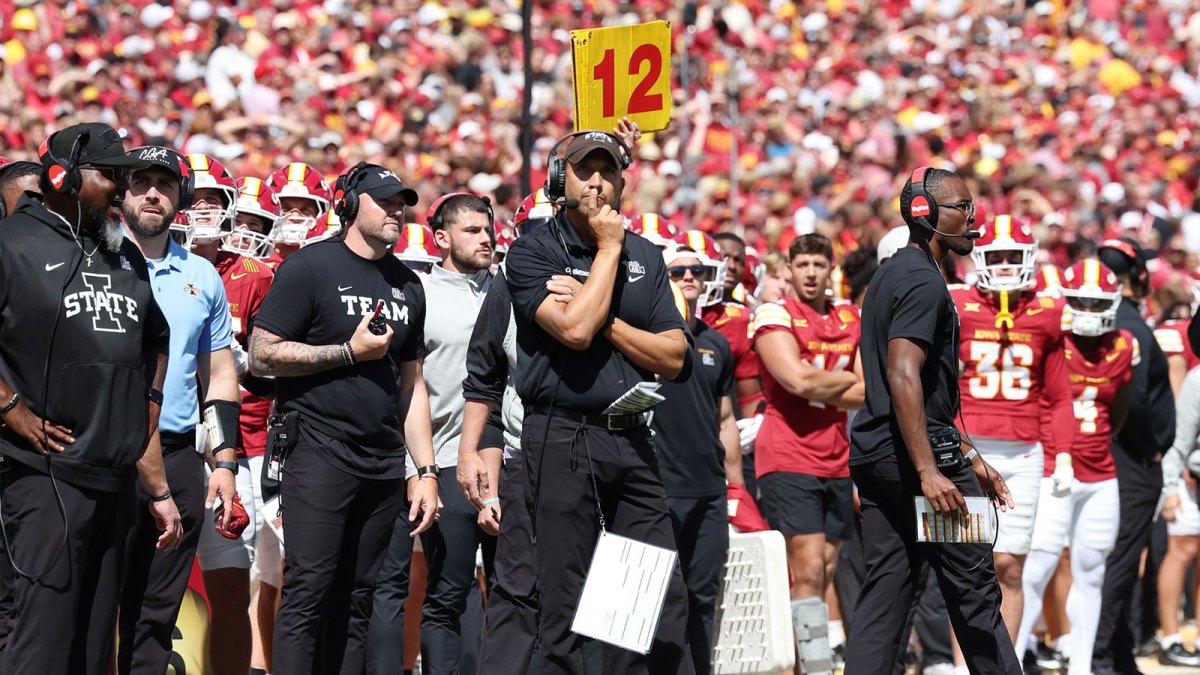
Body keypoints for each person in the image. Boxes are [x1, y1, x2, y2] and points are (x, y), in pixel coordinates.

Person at [504, 130, 695, 675]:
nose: (598, 183)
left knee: (647, 595)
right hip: (562, 436)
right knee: (565, 601)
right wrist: (608, 251)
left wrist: (609, 320)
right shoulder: (532, 251)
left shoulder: (645, 253)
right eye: (585, 171)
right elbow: (573, 331)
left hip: (632, 435)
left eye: (608, 172)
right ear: (560, 181)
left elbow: (674, 356)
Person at [0, 122, 180, 673]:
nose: (124, 189)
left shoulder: (121, 253)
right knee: (41, 644)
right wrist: (9, 406)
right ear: (64, 176)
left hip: (114, 479)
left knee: (94, 647)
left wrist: (146, 405)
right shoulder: (11, 243)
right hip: (43, 476)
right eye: (112, 176)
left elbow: (157, 337)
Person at [249, 162, 439, 674]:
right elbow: (260, 353)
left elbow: (412, 384)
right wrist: (347, 352)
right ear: (349, 206)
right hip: (316, 447)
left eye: (402, 202)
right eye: (385, 201)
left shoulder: (408, 284)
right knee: (309, 588)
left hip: (381, 461)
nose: (398, 210)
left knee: (359, 599)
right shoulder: (310, 267)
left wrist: (424, 471)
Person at [844, 167, 1018, 675]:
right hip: (918, 463)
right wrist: (930, 469)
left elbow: (927, 390)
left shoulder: (893, 272)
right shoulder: (922, 278)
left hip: (880, 457)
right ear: (924, 212)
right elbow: (903, 374)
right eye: (961, 206)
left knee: (886, 596)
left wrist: (967, 455)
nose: (972, 216)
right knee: (975, 596)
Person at [117, 146, 242, 675]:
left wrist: (223, 461)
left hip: (177, 455)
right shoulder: (92, 261)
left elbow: (217, 376)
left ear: (181, 197)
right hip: (105, 451)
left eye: (164, 185)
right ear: (121, 192)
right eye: (141, 182)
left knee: (156, 611)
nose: (152, 193)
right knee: (90, 601)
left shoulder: (204, 276)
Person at [369, 192, 494, 675]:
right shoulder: (419, 296)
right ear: (440, 238)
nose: (486, 238)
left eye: (488, 230)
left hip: (501, 459)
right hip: (437, 459)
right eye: (472, 230)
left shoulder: (507, 290)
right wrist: (414, 468)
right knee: (440, 592)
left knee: (499, 591)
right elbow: (403, 388)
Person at [949, 215, 1076, 648]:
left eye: (1013, 256)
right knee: (963, 567)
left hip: (1023, 454)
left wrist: (1063, 456)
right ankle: (963, 665)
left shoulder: (1048, 312)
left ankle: (1003, 662)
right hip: (966, 448)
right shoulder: (956, 304)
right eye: (996, 256)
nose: (1004, 265)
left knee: (1010, 567)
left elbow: (1060, 395)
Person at [1015, 259, 1135, 675]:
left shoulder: (1122, 346)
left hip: (1100, 473)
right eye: (1080, 299)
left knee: (1092, 572)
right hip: (1053, 469)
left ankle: (1081, 666)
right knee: (1035, 571)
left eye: (1096, 301)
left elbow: (1117, 413)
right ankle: (1010, 661)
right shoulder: (1051, 338)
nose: (1086, 307)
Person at [181, 155, 277, 675]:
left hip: (237, 447)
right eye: (192, 199)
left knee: (233, 576)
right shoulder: (143, 264)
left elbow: (271, 373)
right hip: (164, 443)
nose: (200, 210)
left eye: (212, 201)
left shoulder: (256, 275)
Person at [750, 233, 863, 675]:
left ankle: (803, 662)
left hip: (835, 458)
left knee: (827, 570)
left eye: (819, 264)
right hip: (787, 455)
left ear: (830, 269)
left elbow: (868, 390)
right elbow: (796, 382)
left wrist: (817, 378)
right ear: (789, 271)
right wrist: (831, 383)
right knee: (808, 569)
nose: (811, 273)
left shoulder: (848, 316)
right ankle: (809, 668)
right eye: (803, 265)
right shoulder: (776, 313)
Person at [653, 240, 758, 675]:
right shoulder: (647, 338)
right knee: (659, 597)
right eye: (677, 272)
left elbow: (726, 421)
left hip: (709, 489)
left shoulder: (716, 342)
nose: (688, 278)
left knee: (703, 594)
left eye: (695, 270)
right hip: (659, 488)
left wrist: (736, 487)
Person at [1092, 238, 1175, 675]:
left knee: (1114, 559)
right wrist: (1150, 449)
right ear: (1137, 275)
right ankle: (1101, 656)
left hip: (1104, 451)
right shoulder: (1130, 324)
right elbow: (1136, 400)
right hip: (1128, 457)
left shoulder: (1100, 316)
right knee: (1119, 562)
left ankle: (1117, 653)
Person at [1158, 355, 1200, 667]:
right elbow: (1180, 439)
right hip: (1192, 479)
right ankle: (1171, 638)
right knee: (1182, 551)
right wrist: (1169, 488)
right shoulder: (1197, 379)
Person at [263, 161, 332, 265]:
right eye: (285, 209)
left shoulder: (328, 260)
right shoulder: (255, 258)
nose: (295, 217)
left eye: (305, 211)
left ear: (321, 214)